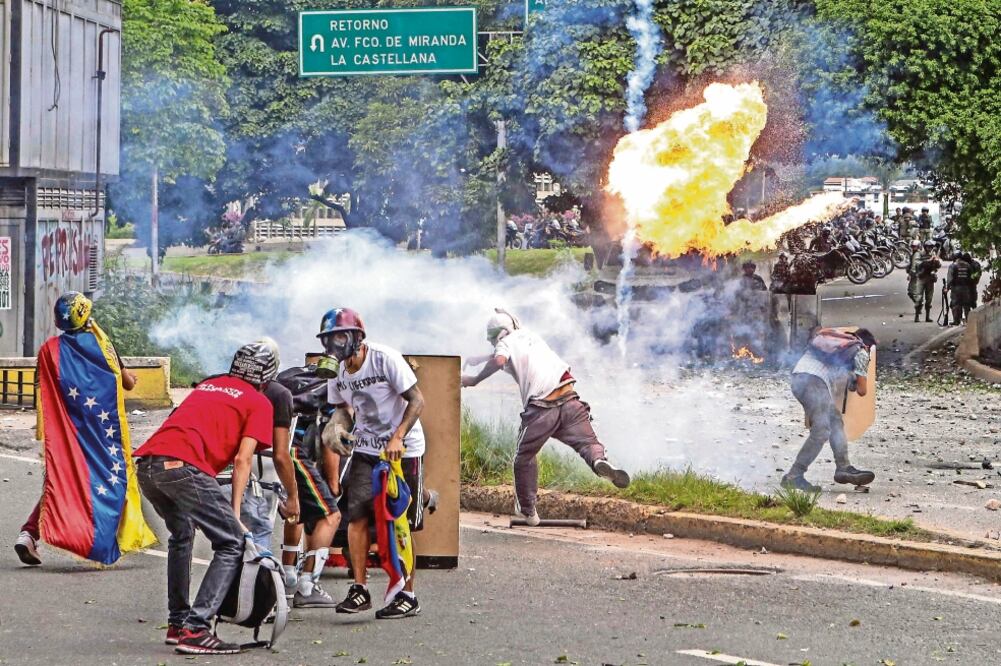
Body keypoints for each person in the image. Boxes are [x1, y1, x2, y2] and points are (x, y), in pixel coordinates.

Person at [134, 341, 278, 655]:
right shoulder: (259, 402)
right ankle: (197, 629)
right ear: (267, 375)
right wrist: (236, 516)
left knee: (182, 534)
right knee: (231, 541)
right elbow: (243, 461)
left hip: (148, 465)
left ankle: (178, 622)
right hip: (184, 468)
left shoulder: (209, 385)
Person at [461, 309, 631, 526]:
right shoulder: (530, 336)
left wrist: (474, 380)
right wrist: (484, 357)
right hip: (569, 399)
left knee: (524, 458)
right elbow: (511, 353)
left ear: (499, 334)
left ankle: (528, 512)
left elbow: (500, 358)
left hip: (542, 408)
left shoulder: (505, 344)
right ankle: (599, 461)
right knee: (587, 443)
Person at [15, 292, 144, 566]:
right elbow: (127, 383)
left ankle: (29, 533)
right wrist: (132, 377)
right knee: (113, 481)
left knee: (64, 480)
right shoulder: (101, 343)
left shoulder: (50, 349)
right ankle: (101, 537)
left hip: (68, 433)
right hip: (102, 433)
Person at [317, 308, 428, 619]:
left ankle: (408, 594)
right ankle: (360, 588)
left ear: (356, 337)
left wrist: (397, 437)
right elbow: (342, 410)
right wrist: (335, 428)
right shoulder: (336, 372)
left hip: (403, 450)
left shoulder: (384, 358)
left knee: (399, 521)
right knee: (357, 516)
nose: (334, 346)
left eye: (340, 337)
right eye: (328, 340)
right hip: (366, 449)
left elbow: (417, 400)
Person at [277, 355, 343, 609]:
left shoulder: (295, 376)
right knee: (330, 516)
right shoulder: (335, 390)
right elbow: (331, 440)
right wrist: (333, 482)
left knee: (298, 509)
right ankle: (308, 585)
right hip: (294, 451)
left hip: (274, 448)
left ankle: (287, 574)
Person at [781, 328, 878, 492]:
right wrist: (856, 378)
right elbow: (862, 390)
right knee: (822, 430)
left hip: (799, 379)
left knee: (835, 420)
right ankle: (794, 476)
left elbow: (835, 371)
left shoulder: (833, 342)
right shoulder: (861, 351)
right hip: (815, 383)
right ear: (868, 346)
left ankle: (843, 467)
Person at [908, 239, 942, 322]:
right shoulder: (919, 254)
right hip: (921, 278)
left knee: (929, 299)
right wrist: (928, 261)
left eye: (931, 247)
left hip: (930, 278)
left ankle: (927, 317)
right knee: (918, 298)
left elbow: (938, 266)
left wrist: (936, 262)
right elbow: (917, 264)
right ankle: (917, 316)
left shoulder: (932, 254)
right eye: (928, 247)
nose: (929, 249)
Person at [947, 253, 976, 325]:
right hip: (966, 288)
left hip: (956, 288)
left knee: (956, 304)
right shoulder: (968, 265)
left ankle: (956, 321)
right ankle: (968, 320)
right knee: (966, 305)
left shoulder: (953, 266)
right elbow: (971, 277)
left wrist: (947, 288)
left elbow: (950, 279)